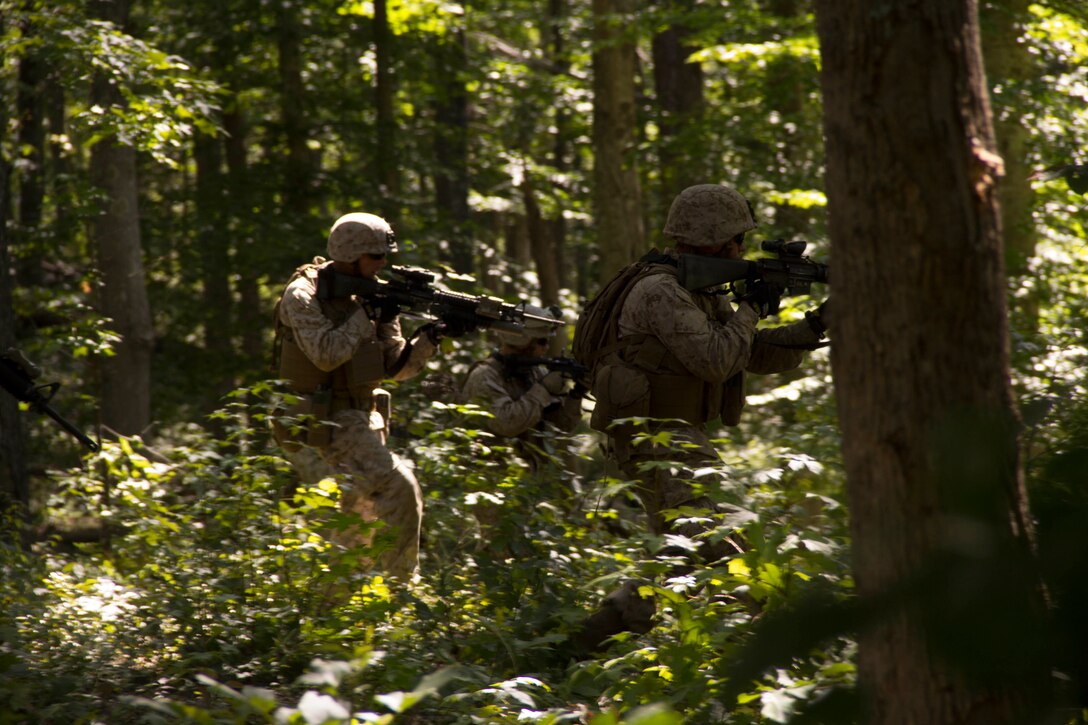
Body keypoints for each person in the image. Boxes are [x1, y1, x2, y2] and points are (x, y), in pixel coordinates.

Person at [572, 183, 830, 651]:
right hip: (654, 438)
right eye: (736, 240)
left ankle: (591, 640)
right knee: (721, 539)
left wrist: (819, 323)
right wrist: (752, 306)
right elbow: (717, 359)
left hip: (671, 437)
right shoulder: (660, 290)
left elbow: (752, 352)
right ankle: (770, 648)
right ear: (712, 239)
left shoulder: (701, 290)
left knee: (676, 553)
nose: (741, 249)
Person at [271, 212, 441, 580]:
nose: (383, 264)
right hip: (320, 421)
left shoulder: (370, 293)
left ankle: (342, 614)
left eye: (384, 256)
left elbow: (396, 367)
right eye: (376, 256)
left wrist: (431, 338)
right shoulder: (303, 294)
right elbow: (326, 354)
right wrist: (365, 312)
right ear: (349, 255)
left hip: (363, 419)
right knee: (399, 486)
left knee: (356, 523)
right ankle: (402, 591)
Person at [459, 312, 583, 471]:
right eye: (541, 341)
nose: (546, 348)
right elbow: (505, 424)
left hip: (526, 479)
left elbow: (563, 424)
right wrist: (543, 389)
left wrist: (577, 392)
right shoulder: (484, 376)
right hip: (489, 475)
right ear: (521, 341)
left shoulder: (536, 372)